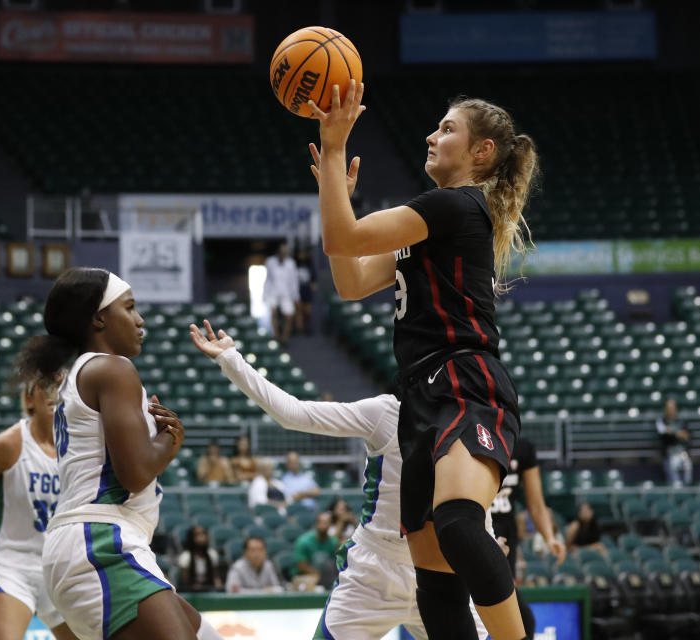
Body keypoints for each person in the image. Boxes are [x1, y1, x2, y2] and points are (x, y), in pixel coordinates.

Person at [309, 81, 538, 639]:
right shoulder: (430, 225)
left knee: (459, 525)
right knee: (434, 583)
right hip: (418, 395)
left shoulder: (453, 204)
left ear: (481, 152)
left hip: (464, 379)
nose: (432, 136)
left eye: (448, 128)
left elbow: (343, 240)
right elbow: (351, 278)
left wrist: (335, 147)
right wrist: (334, 187)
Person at [190, 318, 491, 638]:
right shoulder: (385, 414)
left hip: (441, 570)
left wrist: (486, 550)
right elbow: (293, 413)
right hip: (374, 572)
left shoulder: (473, 425)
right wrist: (231, 359)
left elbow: (475, 504)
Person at [14, 267, 222, 639]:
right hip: (100, 543)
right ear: (99, 318)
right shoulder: (112, 368)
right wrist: (170, 440)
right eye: (130, 308)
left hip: (89, 544)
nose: (140, 320)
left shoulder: (80, 373)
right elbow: (136, 472)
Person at [0, 380, 77, 640]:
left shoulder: (78, 446)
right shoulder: (9, 443)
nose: (55, 392)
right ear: (29, 399)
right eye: (47, 386)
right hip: (13, 566)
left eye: (60, 385)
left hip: (62, 568)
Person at [490, 437, 566, 636]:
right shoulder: (471, 434)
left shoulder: (522, 447)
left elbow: (536, 503)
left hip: (506, 531)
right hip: (476, 527)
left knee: (520, 621)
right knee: (518, 619)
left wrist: (550, 538)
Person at [264, 242, 299, 344]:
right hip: (273, 292)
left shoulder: (291, 264)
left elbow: (293, 281)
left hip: (286, 294)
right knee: (273, 313)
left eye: (285, 252)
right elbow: (268, 279)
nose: (283, 254)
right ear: (278, 252)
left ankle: (284, 338)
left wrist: (296, 296)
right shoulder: (270, 261)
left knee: (288, 317)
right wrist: (265, 295)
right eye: (281, 252)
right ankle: (276, 335)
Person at [292, 512, 338, 584]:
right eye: (321, 522)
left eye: (325, 523)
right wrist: (321, 576)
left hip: (327, 577)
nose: (322, 525)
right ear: (316, 524)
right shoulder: (304, 541)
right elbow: (301, 567)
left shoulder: (333, 542)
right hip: (306, 577)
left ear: (331, 525)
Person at [655, 398, 692, 486]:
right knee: (674, 480)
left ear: (676, 409)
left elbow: (686, 436)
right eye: (668, 408)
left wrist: (673, 432)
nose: (670, 410)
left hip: (682, 452)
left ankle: (687, 489)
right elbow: (663, 432)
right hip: (669, 454)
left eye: (672, 408)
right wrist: (677, 433)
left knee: (688, 469)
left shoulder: (681, 421)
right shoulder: (661, 421)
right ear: (665, 409)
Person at [176, 526, 222, 593]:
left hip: (208, 589)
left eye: (204, 534)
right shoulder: (185, 557)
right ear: (191, 538)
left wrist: (218, 585)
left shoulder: (212, 554)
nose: (202, 538)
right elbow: (184, 580)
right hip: (190, 591)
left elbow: (215, 576)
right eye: (198, 535)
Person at [295, 248, 316, 335]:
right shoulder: (295, 265)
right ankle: (299, 328)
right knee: (299, 311)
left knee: (307, 312)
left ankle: (307, 327)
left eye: (303, 254)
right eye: (300, 254)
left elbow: (314, 279)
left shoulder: (310, 266)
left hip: (307, 291)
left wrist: (313, 287)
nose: (302, 256)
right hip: (297, 290)